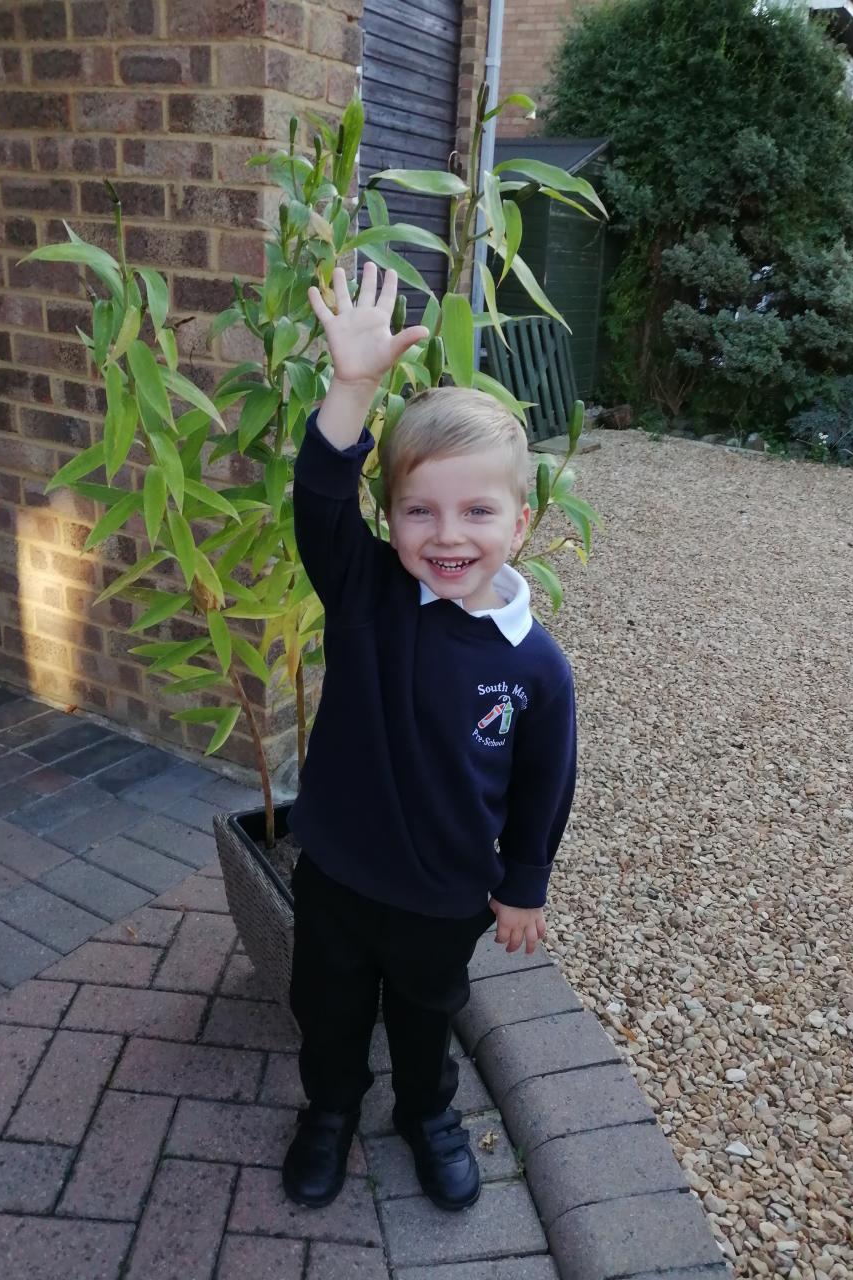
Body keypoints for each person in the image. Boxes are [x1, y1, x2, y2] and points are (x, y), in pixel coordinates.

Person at [283, 261, 577, 1213]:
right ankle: (329, 1110)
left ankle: (427, 1114)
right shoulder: (366, 589)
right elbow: (320, 498)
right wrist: (353, 386)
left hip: (445, 896)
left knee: (425, 1014)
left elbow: (543, 783)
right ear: (391, 516)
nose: (447, 534)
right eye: (420, 510)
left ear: (520, 522)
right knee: (327, 1013)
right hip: (336, 871)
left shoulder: (535, 666)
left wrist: (523, 883)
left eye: (477, 511)